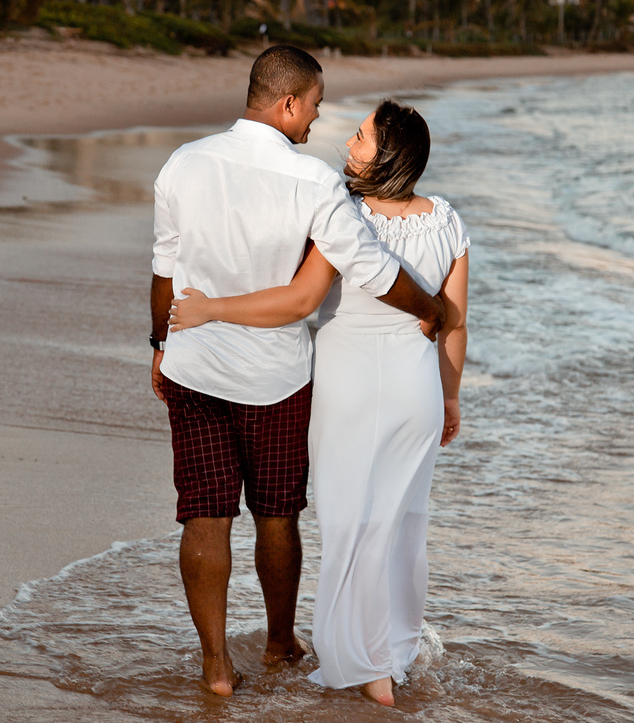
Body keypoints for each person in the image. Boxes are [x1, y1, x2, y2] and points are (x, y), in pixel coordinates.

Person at [149, 46, 445, 698]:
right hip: (278, 379)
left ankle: (217, 665)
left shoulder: (182, 164)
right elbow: (371, 269)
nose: (318, 118)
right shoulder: (312, 183)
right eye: (313, 103)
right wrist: (433, 307)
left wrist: (157, 347)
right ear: (288, 102)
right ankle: (281, 641)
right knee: (276, 514)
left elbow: (164, 271)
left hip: (193, 366)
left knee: (205, 513)